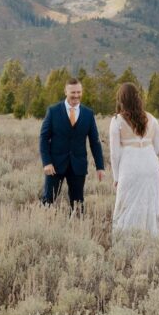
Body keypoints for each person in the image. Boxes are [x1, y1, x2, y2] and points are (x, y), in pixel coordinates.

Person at [39, 77, 105, 213]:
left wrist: (100, 166)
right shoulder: (53, 111)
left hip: (78, 165)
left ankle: (76, 229)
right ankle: (42, 225)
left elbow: (95, 141)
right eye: (73, 92)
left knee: (77, 204)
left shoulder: (88, 114)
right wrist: (47, 162)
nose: (76, 95)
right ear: (66, 92)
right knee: (48, 200)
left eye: (79, 92)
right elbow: (44, 138)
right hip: (55, 166)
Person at [109, 82, 159, 237]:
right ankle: (150, 243)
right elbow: (158, 148)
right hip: (151, 167)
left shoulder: (117, 121)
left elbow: (114, 153)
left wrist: (116, 177)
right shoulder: (152, 119)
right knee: (150, 206)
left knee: (126, 207)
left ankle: (126, 244)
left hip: (130, 167)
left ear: (121, 100)